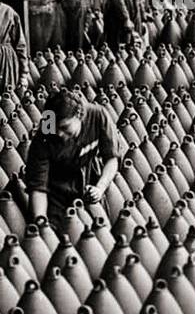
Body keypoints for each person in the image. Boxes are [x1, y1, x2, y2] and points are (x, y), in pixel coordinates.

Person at [23, 87, 127, 225]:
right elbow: (38, 187)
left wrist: (100, 188)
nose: (59, 133)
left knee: (98, 229)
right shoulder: (45, 134)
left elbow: (112, 158)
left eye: (64, 127)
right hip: (56, 189)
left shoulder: (98, 115)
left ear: (79, 115)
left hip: (88, 181)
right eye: (55, 128)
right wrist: (40, 221)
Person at [0, 0, 27, 91]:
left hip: (5, 62)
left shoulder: (9, 12)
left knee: (6, 97)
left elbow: (20, 45)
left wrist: (24, 74)